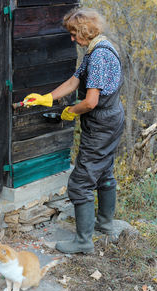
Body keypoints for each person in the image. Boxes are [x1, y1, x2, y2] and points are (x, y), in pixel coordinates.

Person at [21, 8, 125, 254]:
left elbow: (90, 102)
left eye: (73, 33)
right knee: (104, 172)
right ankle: (106, 225)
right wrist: (46, 98)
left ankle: (83, 242)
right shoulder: (98, 48)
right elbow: (75, 80)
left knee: (80, 182)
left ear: (85, 31)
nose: (71, 39)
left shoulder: (99, 56)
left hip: (101, 123)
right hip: (109, 121)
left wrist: (71, 111)